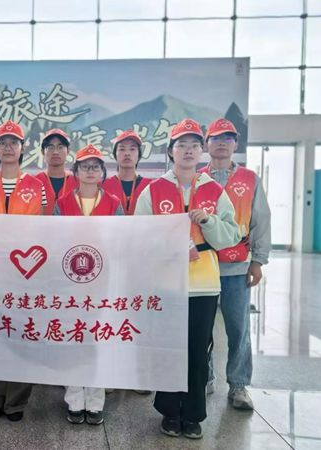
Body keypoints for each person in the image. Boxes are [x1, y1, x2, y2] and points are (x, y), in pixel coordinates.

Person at [135, 118, 241, 439]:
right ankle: (169, 411)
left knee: (198, 350)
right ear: (171, 151)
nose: (189, 150)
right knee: (168, 347)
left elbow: (231, 236)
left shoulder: (214, 190)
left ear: (201, 151)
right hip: (166, 283)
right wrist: (169, 245)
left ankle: (193, 414)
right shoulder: (153, 190)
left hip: (203, 284)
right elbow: (139, 235)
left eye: (195, 145)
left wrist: (208, 221)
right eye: (182, 145)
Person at [0, 120, 47, 421]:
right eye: (2, 142)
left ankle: (16, 401)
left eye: (13, 142)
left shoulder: (36, 186)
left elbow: (44, 229)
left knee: (21, 332)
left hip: (25, 271)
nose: (7, 147)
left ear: (22, 148)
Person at [200, 118, 271, 410]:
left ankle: (239, 385)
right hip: (202, 266)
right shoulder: (197, 178)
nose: (221, 143)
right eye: (215, 138)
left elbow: (261, 220)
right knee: (201, 328)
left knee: (238, 328)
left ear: (235, 144)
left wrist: (259, 260)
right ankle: (204, 377)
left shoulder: (250, 178)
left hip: (237, 266)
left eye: (227, 138)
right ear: (206, 144)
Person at [54, 144, 122, 425]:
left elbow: (122, 240)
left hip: (103, 281)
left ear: (103, 172)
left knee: (97, 337)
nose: (90, 171)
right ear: (76, 172)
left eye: (96, 167)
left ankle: (95, 401)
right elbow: (54, 241)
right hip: (69, 281)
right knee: (72, 338)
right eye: (85, 167)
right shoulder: (63, 203)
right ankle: (74, 398)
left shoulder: (114, 203)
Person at [102, 130, 152, 215]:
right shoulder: (103, 186)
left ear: (139, 155)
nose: (127, 153)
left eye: (132, 149)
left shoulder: (150, 186)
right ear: (115, 154)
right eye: (122, 149)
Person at [35, 128, 77, 215]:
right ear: (43, 152)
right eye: (50, 147)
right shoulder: (34, 182)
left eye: (60, 147)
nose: (55, 152)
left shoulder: (77, 182)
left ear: (68, 151)